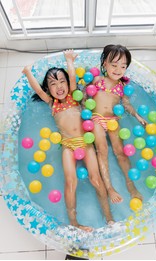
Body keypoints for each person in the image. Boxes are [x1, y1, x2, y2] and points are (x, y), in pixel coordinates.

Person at [22, 50, 114, 232]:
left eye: (61, 81)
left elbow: (72, 78)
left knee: (96, 179)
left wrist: (69, 61)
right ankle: (74, 222)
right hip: (68, 146)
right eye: (53, 84)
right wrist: (27, 72)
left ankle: (109, 218)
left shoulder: (75, 96)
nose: (59, 86)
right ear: (48, 89)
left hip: (86, 143)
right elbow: (37, 90)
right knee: (70, 181)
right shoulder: (51, 103)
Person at [90, 44, 147, 203]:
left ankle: (131, 186)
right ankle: (109, 187)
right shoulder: (97, 80)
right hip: (96, 118)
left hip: (113, 120)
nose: (118, 69)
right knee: (102, 150)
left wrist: (137, 116)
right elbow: (85, 97)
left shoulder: (122, 86)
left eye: (123, 66)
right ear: (105, 64)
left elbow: (126, 104)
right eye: (114, 65)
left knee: (120, 152)